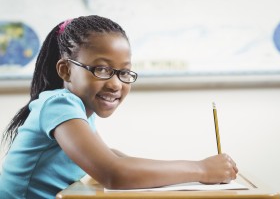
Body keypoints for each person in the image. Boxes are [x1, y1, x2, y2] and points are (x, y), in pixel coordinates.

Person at [0, 15, 238, 198]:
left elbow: (110, 156)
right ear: (66, 70)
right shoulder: (60, 104)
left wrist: (184, 170)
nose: (115, 84)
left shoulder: (79, 109)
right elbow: (113, 172)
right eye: (102, 69)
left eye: (124, 72)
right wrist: (201, 169)